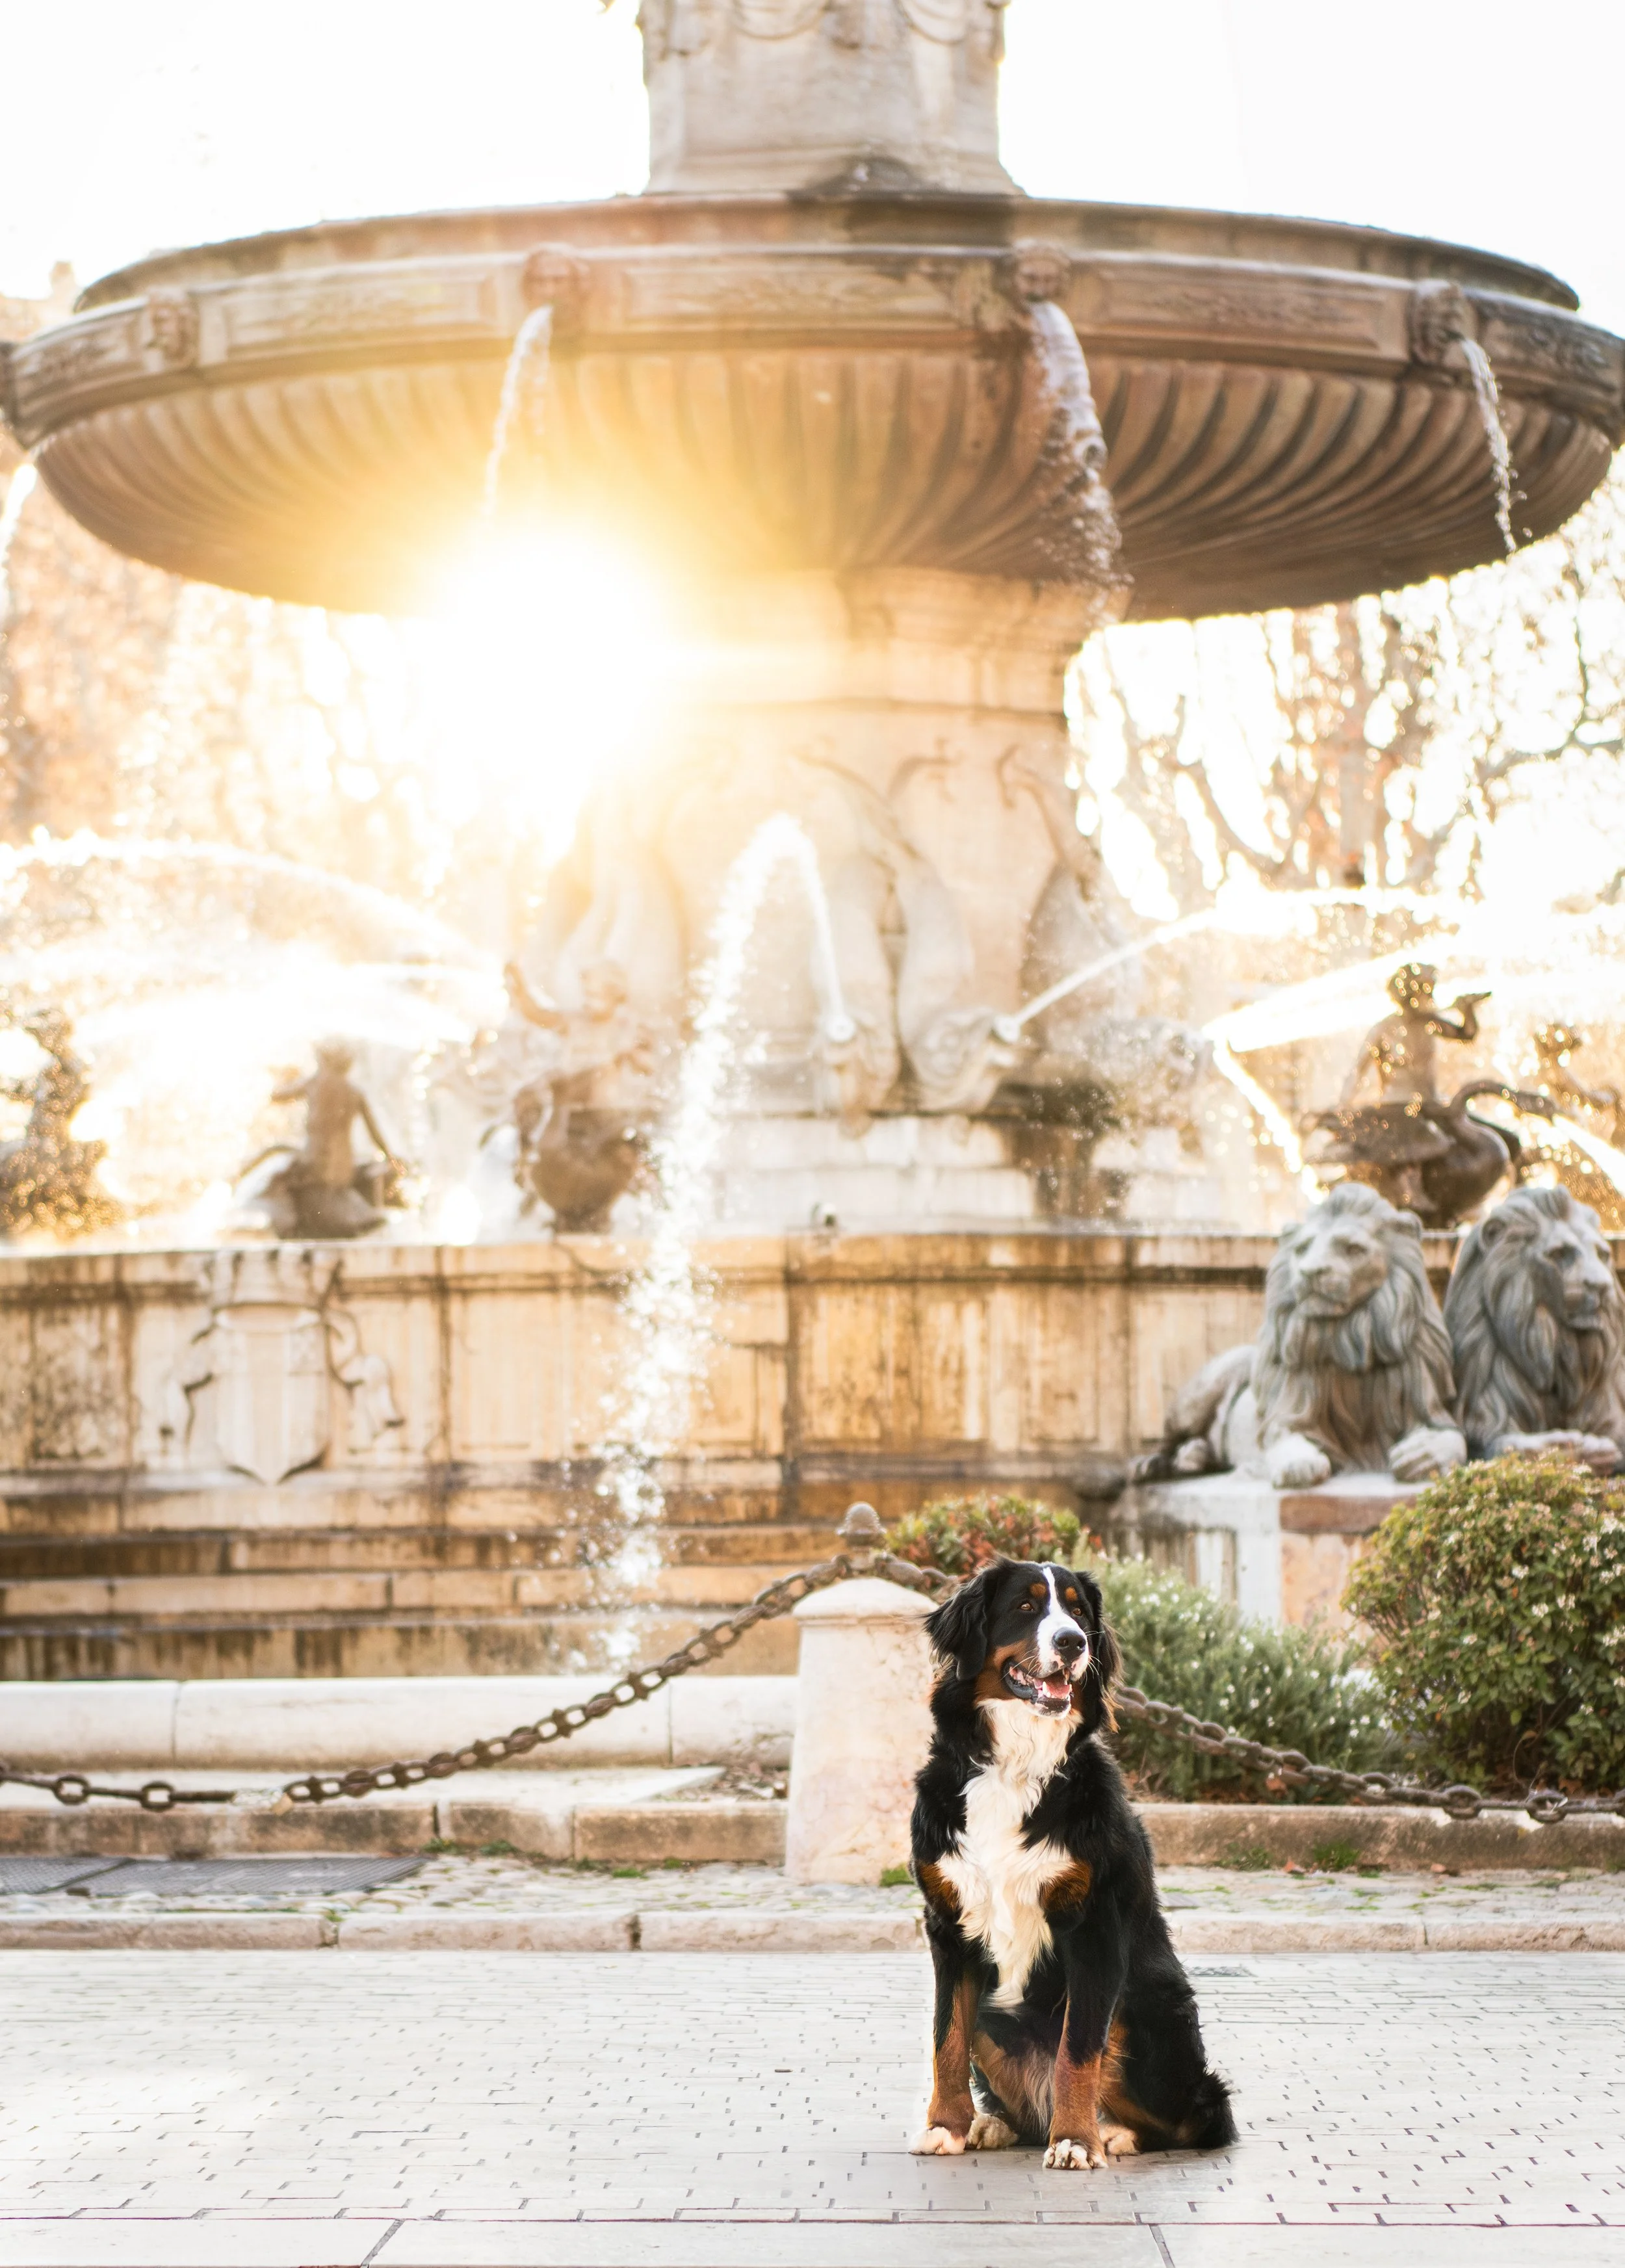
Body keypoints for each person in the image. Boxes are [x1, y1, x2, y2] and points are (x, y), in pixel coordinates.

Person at [259, 1039, 404, 1239]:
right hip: (344, 1170)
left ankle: (288, 1228)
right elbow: (376, 1136)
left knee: (272, 1171)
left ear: (324, 1061)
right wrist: (392, 1159)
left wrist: (282, 1077)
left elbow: (277, 1097)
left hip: (315, 1165)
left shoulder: (316, 1082)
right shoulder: (355, 1092)